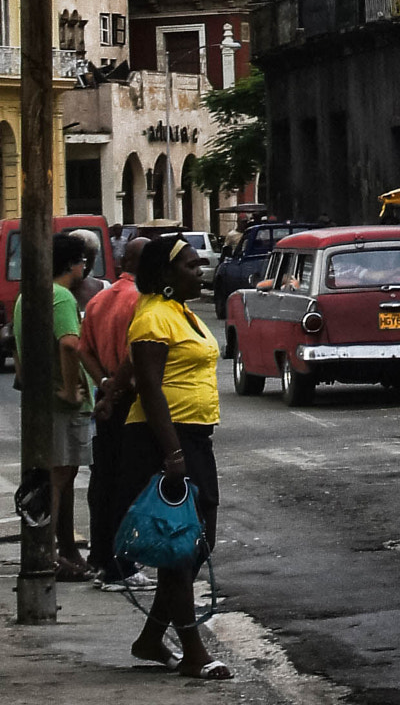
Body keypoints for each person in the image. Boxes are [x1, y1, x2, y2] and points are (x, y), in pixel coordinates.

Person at [118, 233, 231, 679]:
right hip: (162, 441)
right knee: (180, 550)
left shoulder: (178, 312)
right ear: (164, 274)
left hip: (193, 439)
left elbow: (129, 372)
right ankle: (193, 652)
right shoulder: (152, 317)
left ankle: (151, 638)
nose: (198, 270)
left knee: (199, 544)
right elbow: (148, 385)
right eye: (188, 265)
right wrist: (173, 454)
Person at [11, 230, 94, 581]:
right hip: (61, 404)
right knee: (58, 477)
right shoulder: (60, 296)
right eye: (83, 261)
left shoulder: (28, 294)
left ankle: (65, 548)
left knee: (63, 474)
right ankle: (48, 553)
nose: (85, 268)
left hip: (43, 397)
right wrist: (73, 389)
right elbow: (70, 344)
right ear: (73, 264)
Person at [80, 235, 151, 592]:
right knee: (128, 481)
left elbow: (83, 349)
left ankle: (101, 558)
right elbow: (135, 354)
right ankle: (121, 564)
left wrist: (103, 384)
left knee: (103, 479)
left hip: (105, 394)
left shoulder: (98, 300)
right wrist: (117, 387)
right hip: (130, 400)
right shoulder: (141, 300)